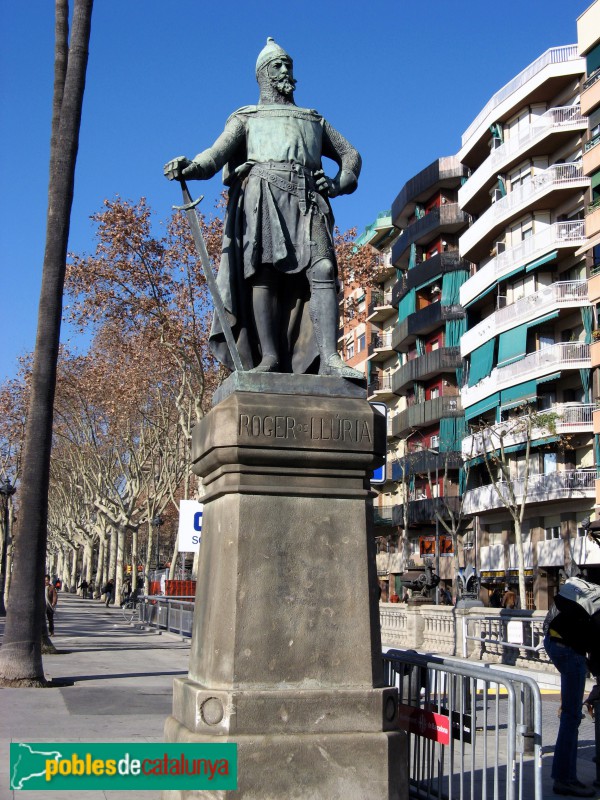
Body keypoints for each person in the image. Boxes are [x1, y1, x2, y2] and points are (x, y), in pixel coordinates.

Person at [164, 38, 363, 380]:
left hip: (308, 199)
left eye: (288, 65)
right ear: (263, 75)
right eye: (277, 66)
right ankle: (269, 357)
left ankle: (330, 358)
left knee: (324, 268)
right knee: (264, 273)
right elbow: (215, 155)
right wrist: (191, 168)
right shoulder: (246, 118)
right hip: (264, 196)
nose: (285, 70)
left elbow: (351, 154)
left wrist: (339, 183)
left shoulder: (312, 119)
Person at [543, 577, 600, 797]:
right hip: (570, 650)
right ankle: (565, 779)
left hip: (553, 641)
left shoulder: (591, 592)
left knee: (569, 713)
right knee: (571, 716)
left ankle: (563, 776)